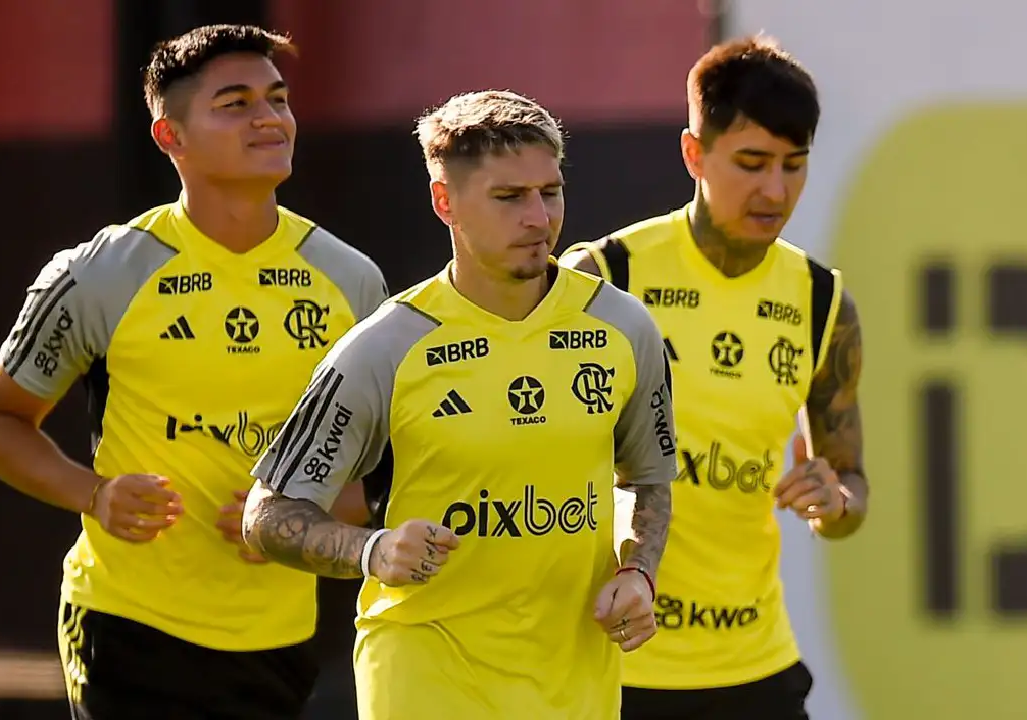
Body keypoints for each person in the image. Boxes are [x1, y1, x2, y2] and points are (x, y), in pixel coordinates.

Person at [0, 24, 387, 720]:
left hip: (280, 639)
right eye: (236, 102)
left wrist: (292, 524)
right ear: (171, 137)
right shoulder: (102, 272)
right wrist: (94, 494)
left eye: (277, 99)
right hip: (128, 627)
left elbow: (384, 475)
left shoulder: (350, 280)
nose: (269, 118)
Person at [239, 90, 677, 719]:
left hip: (572, 676)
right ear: (445, 202)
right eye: (509, 197)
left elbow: (646, 479)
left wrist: (639, 571)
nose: (539, 218)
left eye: (549, 192)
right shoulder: (385, 347)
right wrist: (373, 550)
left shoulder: (624, 326)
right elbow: (268, 513)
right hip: (426, 669)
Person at [559, 35, 867, 720]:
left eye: (794, 165)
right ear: (695, 154)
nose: (775, 190)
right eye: (752, 163)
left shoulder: (822, 303)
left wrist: (835, 498)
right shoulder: (606, 279)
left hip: (754, 665)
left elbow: (852, 489)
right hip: (614, 663)